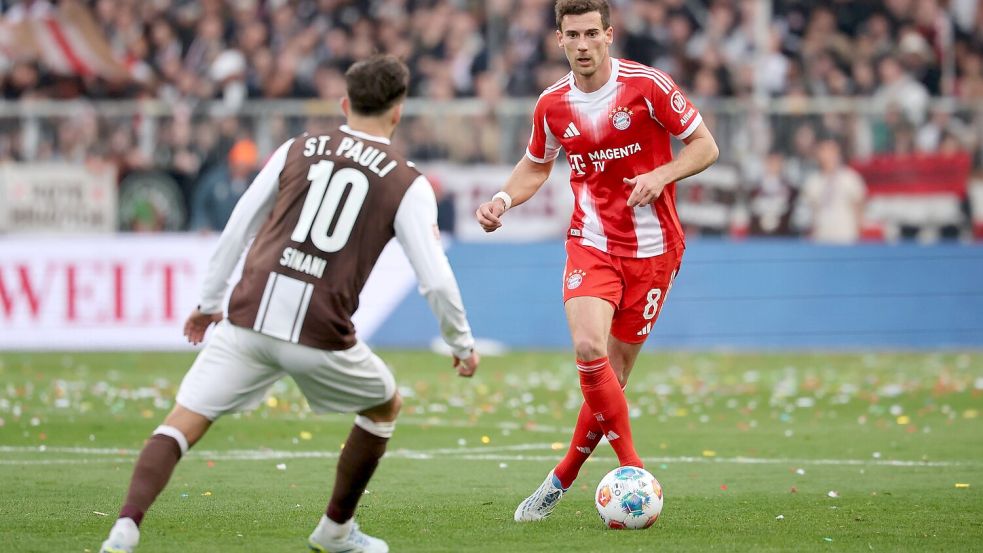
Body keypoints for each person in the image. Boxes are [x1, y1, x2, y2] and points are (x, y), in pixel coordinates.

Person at [100, 55, 479, 553]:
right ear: (398, 112)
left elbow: (238, 226)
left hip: (249, 317)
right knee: (384, 404)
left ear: (344, 104)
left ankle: (125, 527)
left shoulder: (296, 148)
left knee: (183, 421)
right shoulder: (407, 183)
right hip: (320, 332)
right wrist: (461, 342)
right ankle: (336, 531)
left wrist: (208, 302)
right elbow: (434, 279)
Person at [475, 0, 718, 522]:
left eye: (591, 33)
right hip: (592, 242)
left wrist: (662, 175)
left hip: (656, 251)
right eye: (572, 35)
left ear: (609, 35)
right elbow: (535, 165)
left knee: (616, 373)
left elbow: (705, 145)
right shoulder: (552, 104)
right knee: (588, 348)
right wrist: (501, 199)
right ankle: (635, 470)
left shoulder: (648, 85)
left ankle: (561, 476)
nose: (582, 45)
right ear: (558, 40)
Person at [799, 137, 866, 244]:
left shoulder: (850, 178)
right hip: (821, 237)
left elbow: (859, 208)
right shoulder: (813, 182)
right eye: (823, 150)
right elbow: (809, 212)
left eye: (831, 150)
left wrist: (859, 232)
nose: (828, 155)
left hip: (846, 236)